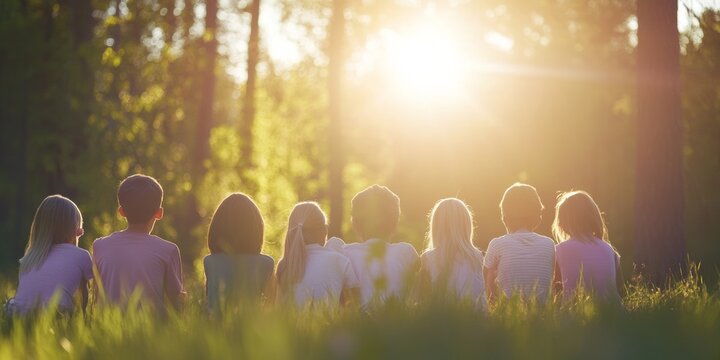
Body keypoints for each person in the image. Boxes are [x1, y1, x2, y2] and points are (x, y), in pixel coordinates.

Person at [92, 174, 185, 311]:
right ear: (159, 213)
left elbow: (95, 295)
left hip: (108, 329)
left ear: (121, 212)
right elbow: (177, 302)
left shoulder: (100, 246)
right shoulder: (168, 250)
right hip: (153, 331)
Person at [334, 185, 419, 308]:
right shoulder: (406, 252)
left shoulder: (345, 253)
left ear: (355, 225)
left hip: (357, 325)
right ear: (395, 222)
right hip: (398, 324)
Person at [8, 195, 93, 315]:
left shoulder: (28, 259)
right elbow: (84, 298)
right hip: (55, 315)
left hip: (16, 314)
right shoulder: (81, 256)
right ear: (74, 230)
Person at [276, 202, 360, 307]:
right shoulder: (339, 260)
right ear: (325, 230)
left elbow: (278, 309)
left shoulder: (284, 266)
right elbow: (355, 306)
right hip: (328, 323)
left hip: (291, 323)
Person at [484, 183, 555, 303]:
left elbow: (484, 277)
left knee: (490, 271)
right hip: (543, 312)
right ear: (539, 217)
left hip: (508, 311)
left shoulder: (497, 244)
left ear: (504, 217)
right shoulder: (549, 244)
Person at [203, 193, 274, 312]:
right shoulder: (266, 263)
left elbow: (209, 303)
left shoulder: (210, 262)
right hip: (252, 328)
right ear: (256, 228)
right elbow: (270, 308)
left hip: (216, 327)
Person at [552, 190, 623, 302]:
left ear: (564, 222)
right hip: (614, 315)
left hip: (573, 316)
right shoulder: (610, 251)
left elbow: (555, 293)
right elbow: (621, 292)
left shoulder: (559, 251)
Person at [419, 198, 486, 308]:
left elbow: (420, 300)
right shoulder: (479, 258)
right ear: (467, 225)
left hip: (443, 321)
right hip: (477, 320)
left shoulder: (427, 259)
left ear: (435, 226)